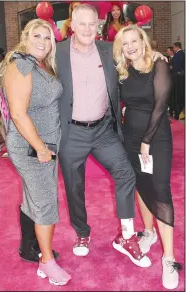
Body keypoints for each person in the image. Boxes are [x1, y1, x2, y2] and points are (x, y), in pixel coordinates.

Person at [56, 4, 165, 268]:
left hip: (104, 130)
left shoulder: (108, 51)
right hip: (71, 133)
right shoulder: (57, 52)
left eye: (92, 24)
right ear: (72, 25)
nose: (87, 29)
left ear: (98, 26)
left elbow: (135, 60)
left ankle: (127, 236)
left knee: (126, 174)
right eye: (82, 24)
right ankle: (83, 233)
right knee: (74, 187)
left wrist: (154, 56)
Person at [0, 19, 71, 285]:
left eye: (47, 37)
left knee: (36, 199)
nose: (42, 41)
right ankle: (46, 262)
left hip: (44, 144)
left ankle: (33, 249)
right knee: (45, 203)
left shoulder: (40, 63)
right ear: (25, 36)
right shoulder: (21, 64)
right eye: (36, 35)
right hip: (33, 146)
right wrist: (41, 148)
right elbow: (17, 114)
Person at [113, 24, 182, 290]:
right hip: (129, 138)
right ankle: (149, 232)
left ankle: (169, 258)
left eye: (134, 41)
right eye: (125, 43)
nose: (130, 46)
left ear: (143, 40)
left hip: (156, 138)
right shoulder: (122, 69)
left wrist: (146, 141)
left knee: (161, 191)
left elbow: (160, 105)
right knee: (141, 186)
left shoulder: (159, 65)